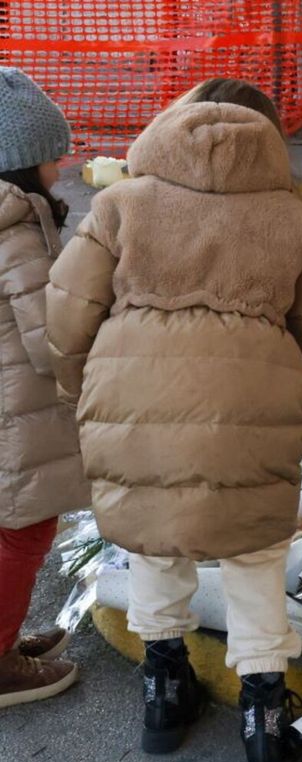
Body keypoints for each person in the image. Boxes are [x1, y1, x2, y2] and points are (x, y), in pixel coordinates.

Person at [46, 78, 302, 762]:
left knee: (157, 539)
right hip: (253, 406)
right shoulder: (292, 222)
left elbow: (68, 313)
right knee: (254, 554)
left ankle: (163, 690)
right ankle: (265, 718)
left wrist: (87, 386)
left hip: (133, 399)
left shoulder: (121, 205)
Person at [0, 68, 90, 707]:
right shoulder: (16, 228)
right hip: (15, 411)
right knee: (24, 532)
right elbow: (48, 340)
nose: (64, 161)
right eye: (52, 151)